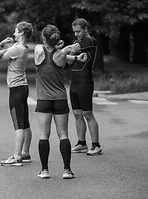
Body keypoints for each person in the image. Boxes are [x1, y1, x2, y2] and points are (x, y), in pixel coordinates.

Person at [34, 24, 86, 179]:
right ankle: (67, 170)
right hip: (60, 99)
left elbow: (44, 48)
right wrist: (72, 52)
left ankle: (44, 170)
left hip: (43, 99)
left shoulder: (38, 50)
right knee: (63, 134)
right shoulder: (61, 55)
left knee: (44, 134)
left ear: (44, 38)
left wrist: (62, 47)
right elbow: (63, 55)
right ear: (56, 39)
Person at [0, 21, 33, 166]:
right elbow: (2, 53)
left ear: (21, 33)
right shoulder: (21, 47)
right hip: (23, 87)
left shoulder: (17, 49)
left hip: (16, 89)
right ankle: (25, 153)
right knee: (25, 122)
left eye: (16, 31)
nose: (13, 33)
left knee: (18, 124)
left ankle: (17, 156)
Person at [68, 18, 102, 156]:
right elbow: (68, 62)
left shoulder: (91, 41)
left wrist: (70, 51)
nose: (76, 34)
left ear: (85, 29)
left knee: (88, 114)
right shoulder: (77, 43)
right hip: (74, 82)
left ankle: (96, 145)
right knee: (77, 114)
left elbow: (68, 53)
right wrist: (71, 52)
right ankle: (81, 143)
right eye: (74, 32)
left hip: (85, 82)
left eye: (78, 31)